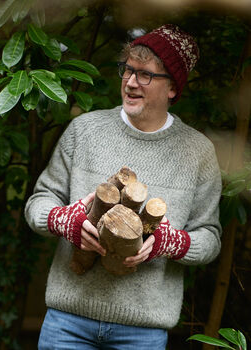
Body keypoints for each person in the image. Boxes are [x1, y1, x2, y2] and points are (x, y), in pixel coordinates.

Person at [24, 24, 222, 349]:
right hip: (67, 322)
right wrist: (67, 221)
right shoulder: (84, 130)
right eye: (127, 70)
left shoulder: (197, 152)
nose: (130, 82)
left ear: (172, 86)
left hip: (142, 332)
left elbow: (209, 238)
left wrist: (166, 242)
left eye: (145, 75)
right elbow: (37, 204)